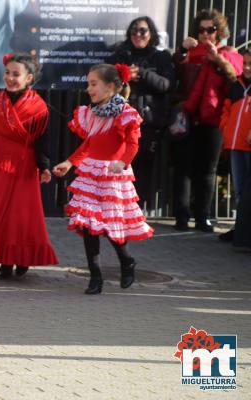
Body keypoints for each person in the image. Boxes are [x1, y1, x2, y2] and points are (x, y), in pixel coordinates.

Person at [52, 64, 154, 295]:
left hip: (112, 176)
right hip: (91, 174)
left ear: (110, 86)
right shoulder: (92, 113)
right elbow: (89, 144)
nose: (89, 89)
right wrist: (69, 163)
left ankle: (126, 261)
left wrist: (123, 161)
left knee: (110, 227)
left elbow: (133, 143)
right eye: (88, 84)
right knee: (89, 226)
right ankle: (95, 276)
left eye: (93, 84)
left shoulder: (126, 113)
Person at [0, 53, 58, 279]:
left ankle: (23, 258)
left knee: (21, 215)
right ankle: (6, 262)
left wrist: (44, 166)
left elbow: (41, 140)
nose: (10, 78)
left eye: (16, 74)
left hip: (23, 167)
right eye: (7, 73)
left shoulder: (38, 107)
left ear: (29, 78)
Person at [172, 9, 243, 232]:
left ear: (219, 31)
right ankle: (181, 218)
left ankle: (202, 218)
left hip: (214, 118)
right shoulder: (192, 52)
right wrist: (182, 50)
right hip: (187, 116)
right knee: (183, 168)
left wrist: (218, 59)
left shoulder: (228, 53)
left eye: (210, 29)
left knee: (207, 170)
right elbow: (174, 72)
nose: (205, 34)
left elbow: (235, 76)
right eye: (201, 29)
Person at [107, 16, 175, 212]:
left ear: (151, 33)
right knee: (116, 167)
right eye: (134, 31)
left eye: (143, 31)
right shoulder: (119, 55)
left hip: (147, 123)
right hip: (118, 122)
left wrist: (143, 73)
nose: (138, 34)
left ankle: (134, 211)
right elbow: (102, 80)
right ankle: (115, 210)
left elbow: (167, 85)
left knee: (142, 171)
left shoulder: (160, 57)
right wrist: (123, 74)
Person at [218, 49, 251, 242]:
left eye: (250, 64)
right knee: (239, 189)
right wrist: (226, 128)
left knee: (247, 191)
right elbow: (226, 110)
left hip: (248, 145)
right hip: (235, 144)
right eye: (245, 63)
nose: (246, 68)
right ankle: (240, 229)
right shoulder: (236, 86)